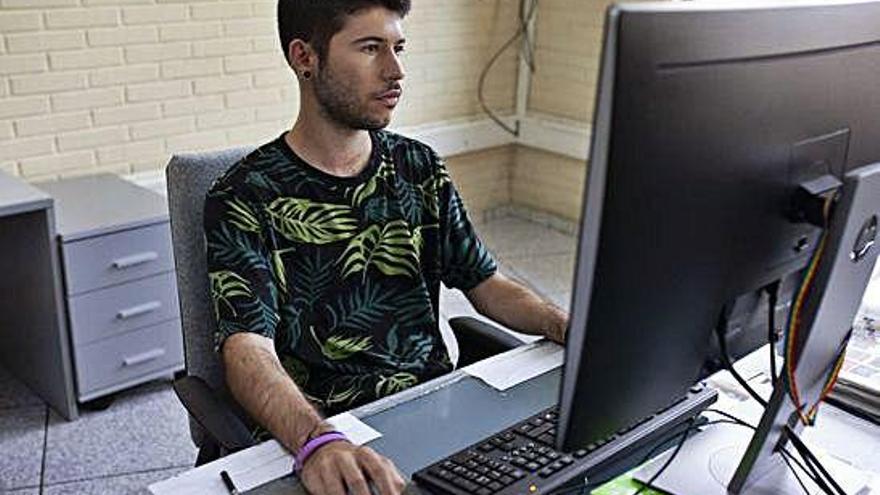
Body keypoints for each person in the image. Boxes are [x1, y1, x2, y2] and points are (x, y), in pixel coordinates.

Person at [203, 1, 569, 494]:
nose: (396, 71)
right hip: (326, 435)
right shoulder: (245, 195)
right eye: (371, 48)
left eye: (398, 48)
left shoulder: (419, 167)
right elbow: (246, 350)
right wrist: (316, 442)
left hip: (434, 413)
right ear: (304, 57)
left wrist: (561, 323)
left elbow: (486, 282)